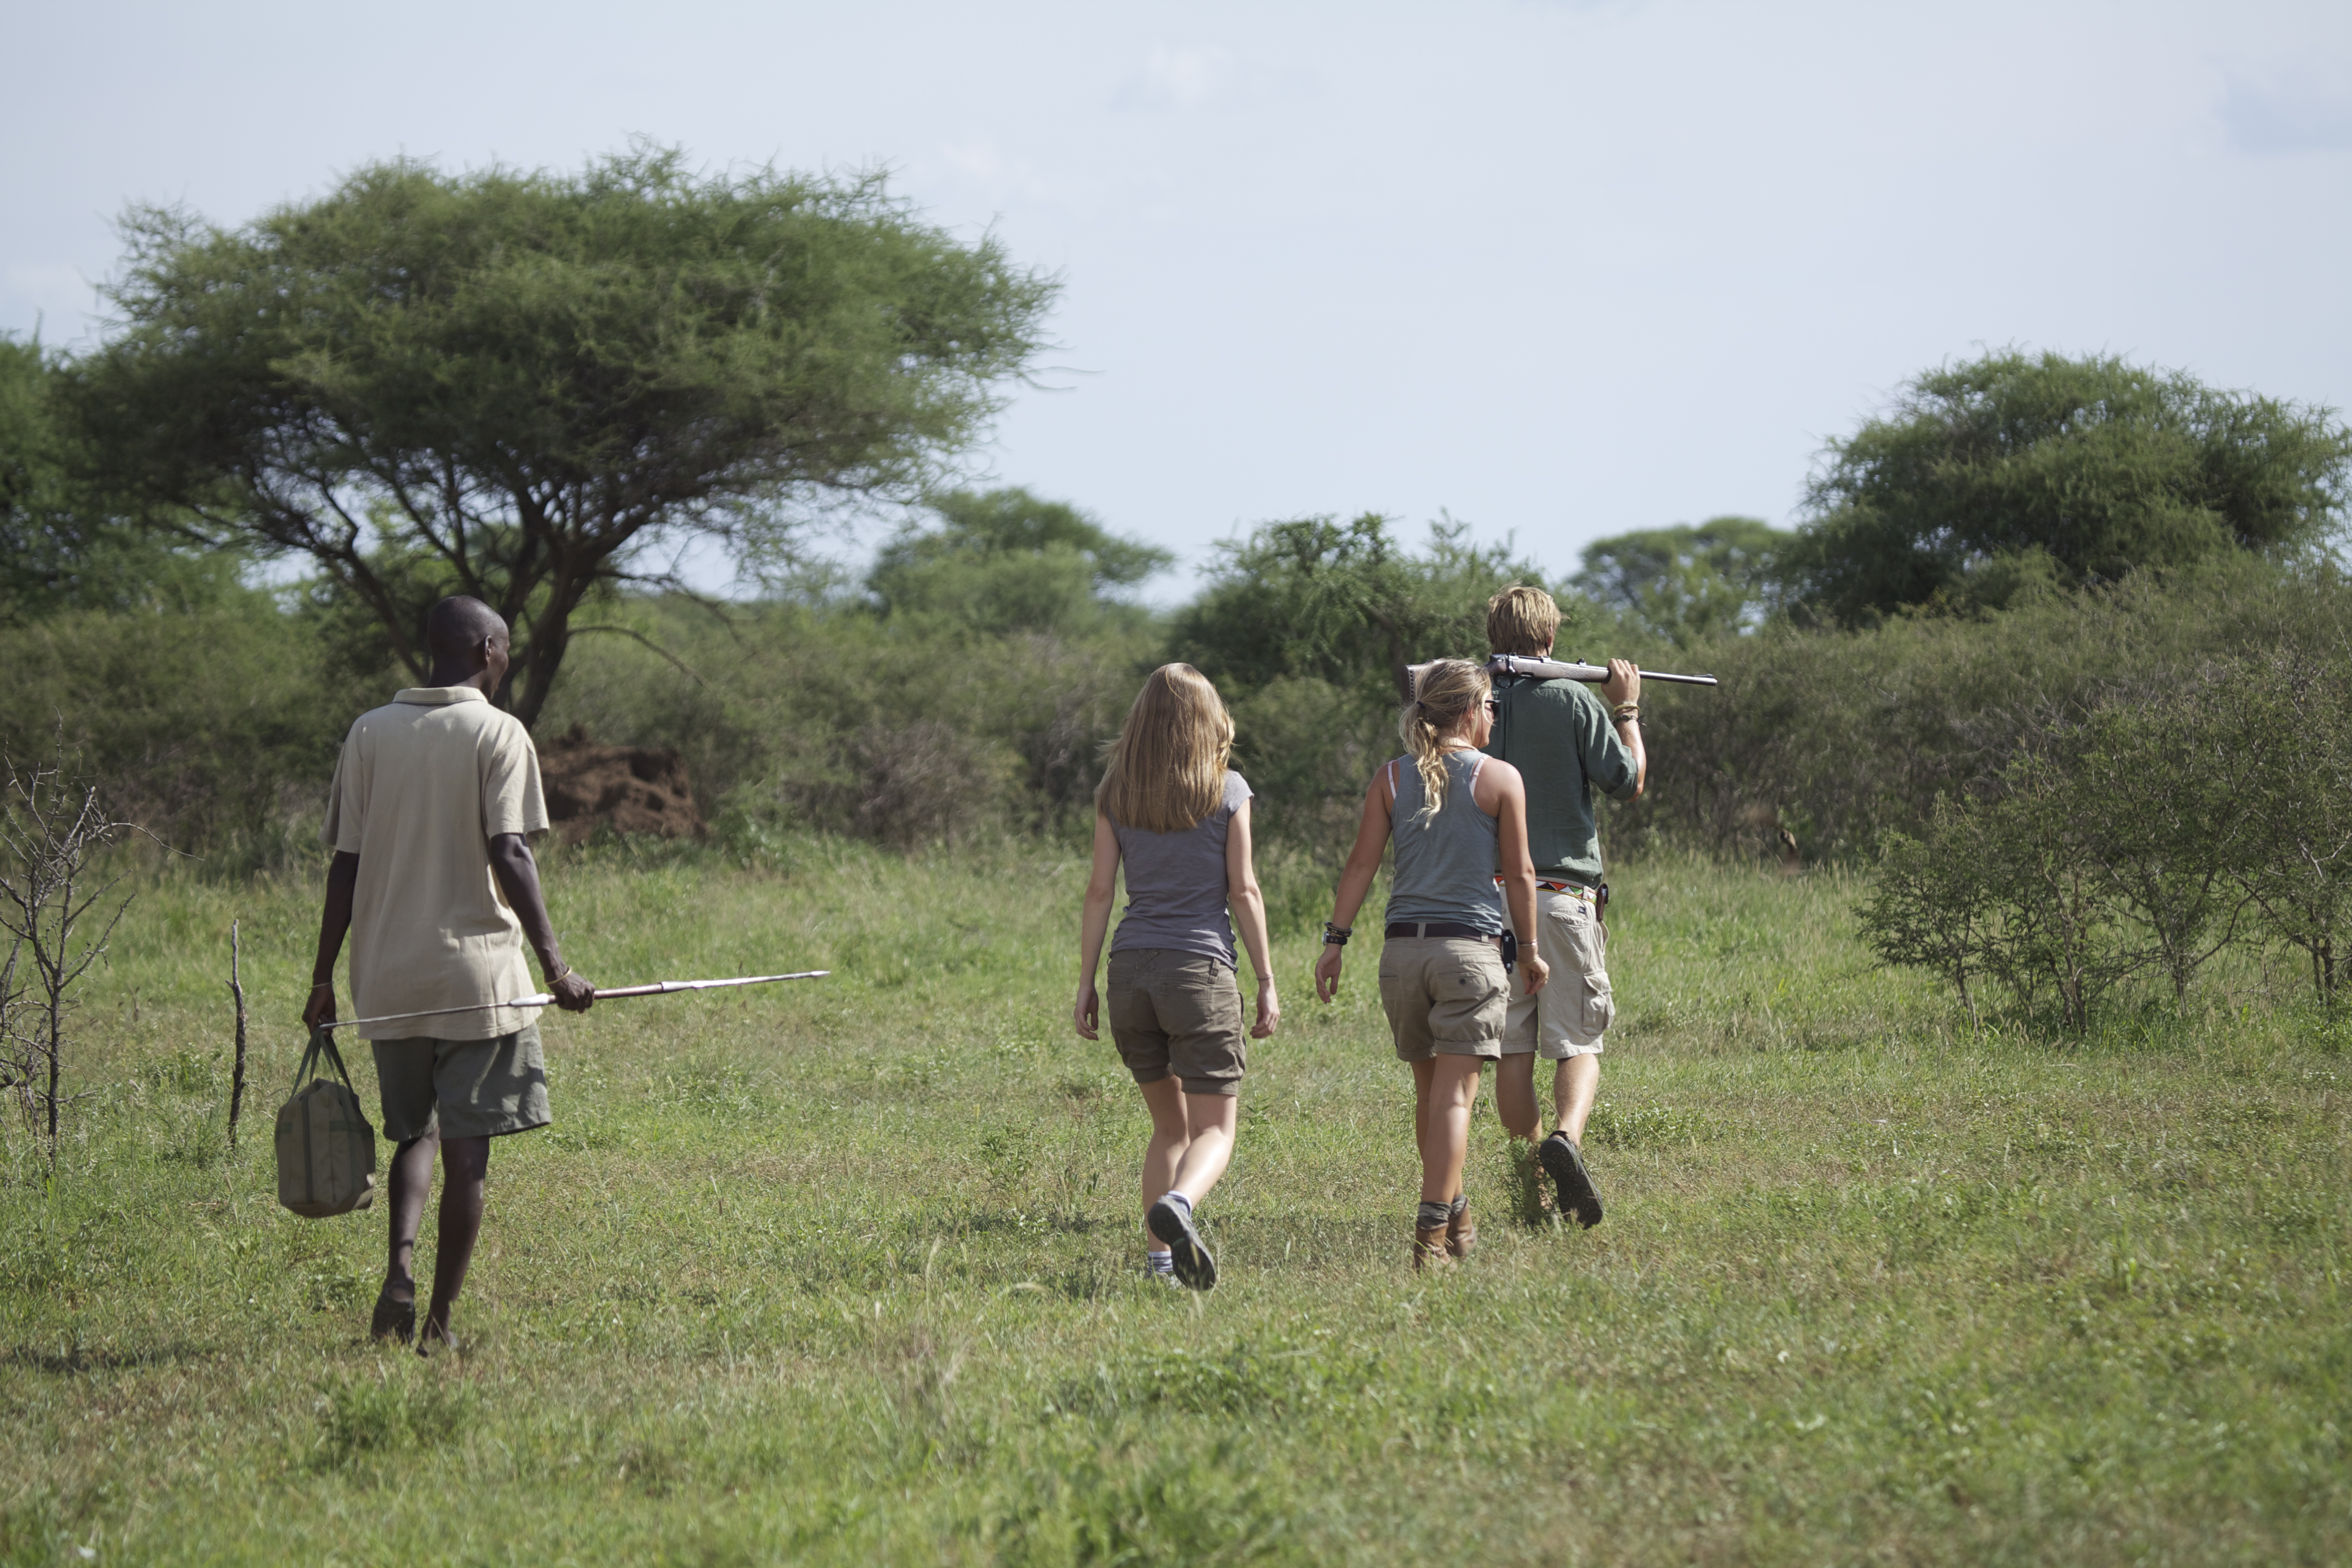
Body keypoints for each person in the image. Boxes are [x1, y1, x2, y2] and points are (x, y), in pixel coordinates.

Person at [302, 596, 595, 1352]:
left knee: (415, 1133)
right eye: (505, 648)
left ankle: (397, 1273)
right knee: (469, 1147)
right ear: (488, 649)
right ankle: (436, 1326)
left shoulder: (370, 733)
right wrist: (557, 968)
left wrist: (323, 978)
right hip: (478, 981)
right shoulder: (499, 732)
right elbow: (512, 852)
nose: (506, 658)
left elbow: (347, 866)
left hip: (388, 981)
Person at [1313, 658, 1549, 1270]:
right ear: (1470, 711)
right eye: (1491, 704)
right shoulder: (1500, 778)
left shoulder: (1391, 778)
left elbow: (1360, 866)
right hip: (1467, 954)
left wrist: (1336, 941)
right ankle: (1431, 1236)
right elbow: (1521, 875)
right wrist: (1528, 950)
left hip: (1401, 957)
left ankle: (1459, 1216)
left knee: (1431, 1096)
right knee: (1455, 1101)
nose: (1494, 714)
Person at [1074, 664, 1279, 1290]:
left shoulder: (1117, 792)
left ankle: (1160, 1264)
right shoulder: (1229, 788)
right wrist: (1268, 977)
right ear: (1208, 721)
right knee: (1215, 1128)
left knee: (1169, 1127)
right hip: (1199, 972)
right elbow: (1243, 890)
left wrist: (1085, 984)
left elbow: (1101, 892)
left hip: (1130, 973)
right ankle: (1182, 1205)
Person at [1480, 586, 1646, 1228]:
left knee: (1512, 1047)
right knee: (1578, 1038)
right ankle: (1567, 1142)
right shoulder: (1577, 698)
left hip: (1489, 902)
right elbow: (1627, 781)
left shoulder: (1475, 704)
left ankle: (1536, 1189)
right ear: (1549, 638)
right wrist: (1626, 710)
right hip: (1562, 898)